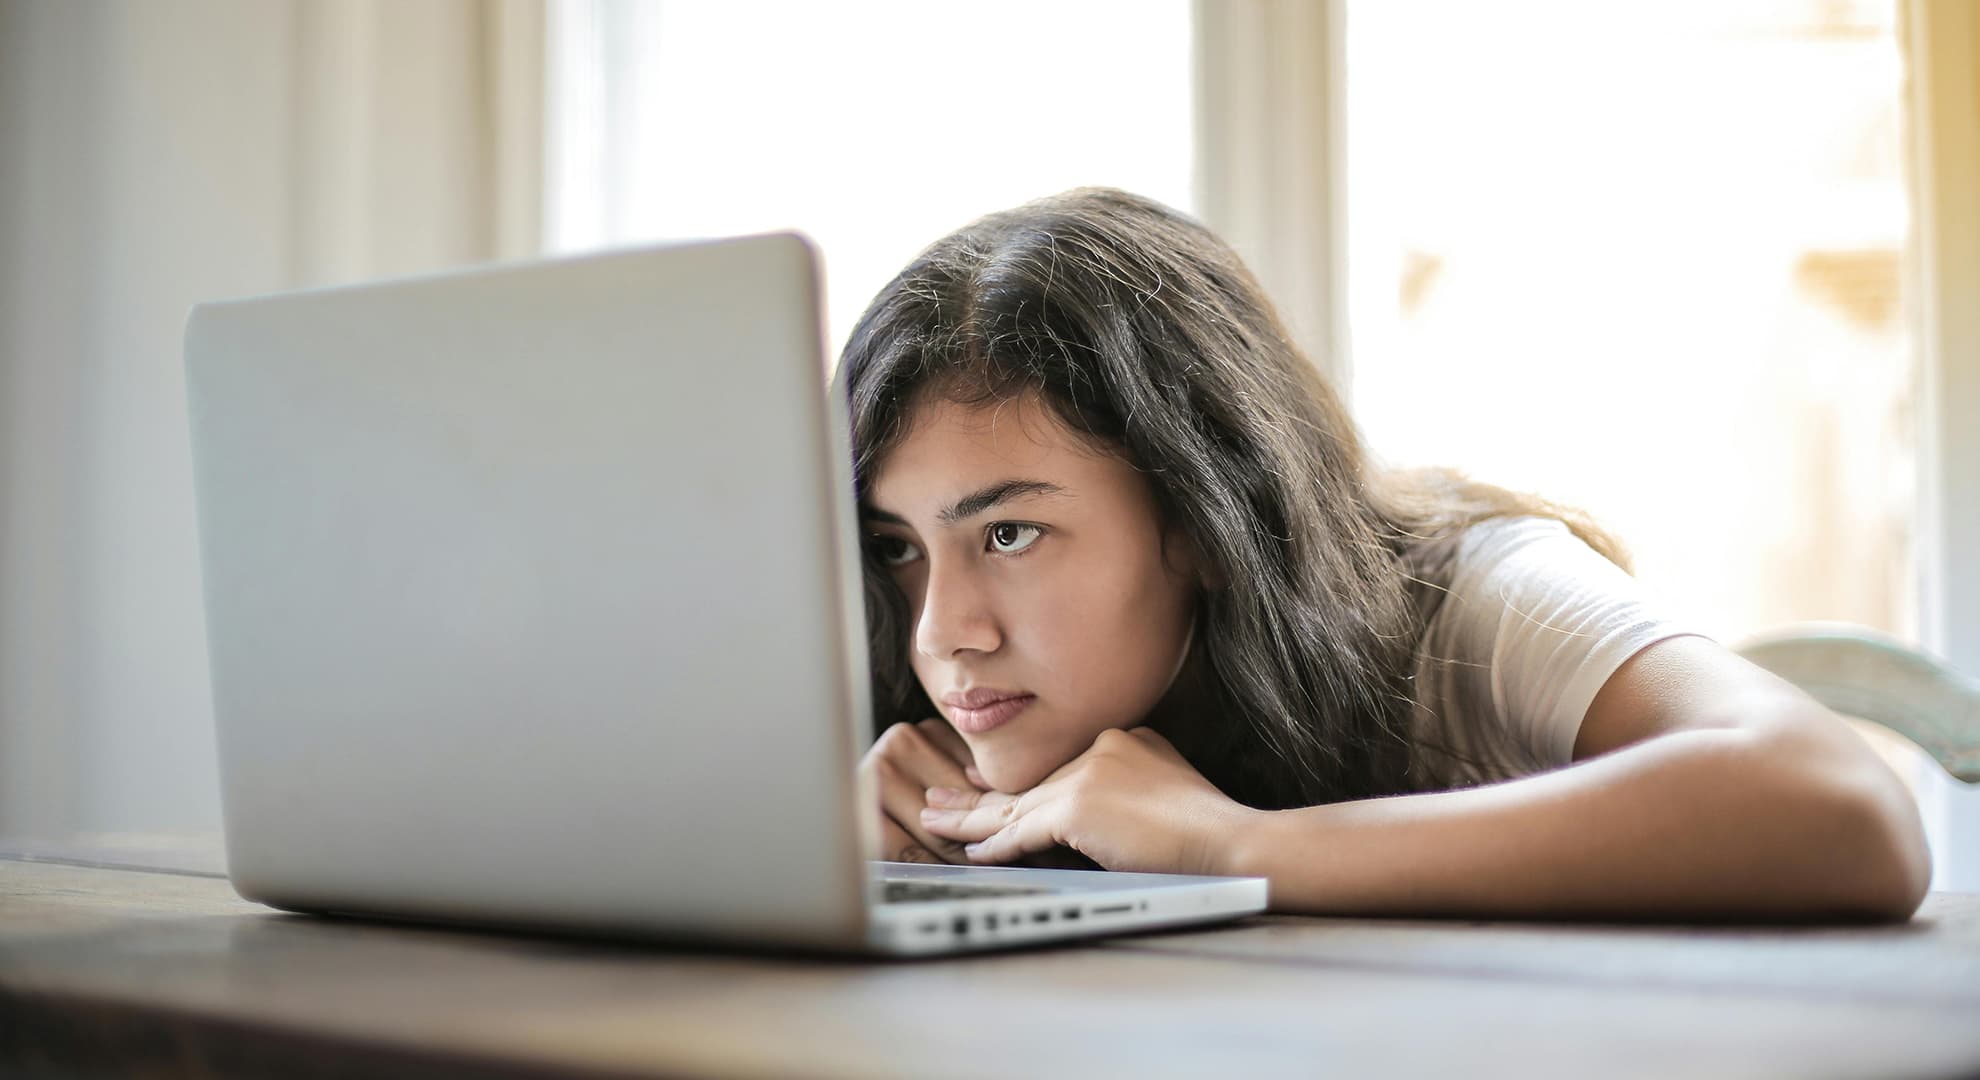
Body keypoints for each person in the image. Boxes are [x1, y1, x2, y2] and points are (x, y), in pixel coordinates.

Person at [841, 187, 1929, 921]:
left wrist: (1231, 849)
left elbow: (1842, 808)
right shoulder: (926, 715)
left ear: (1210, 519)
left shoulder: (1475, 595)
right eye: (898, 546)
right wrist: (829, 857)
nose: (945, 632)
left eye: (1010, 533)